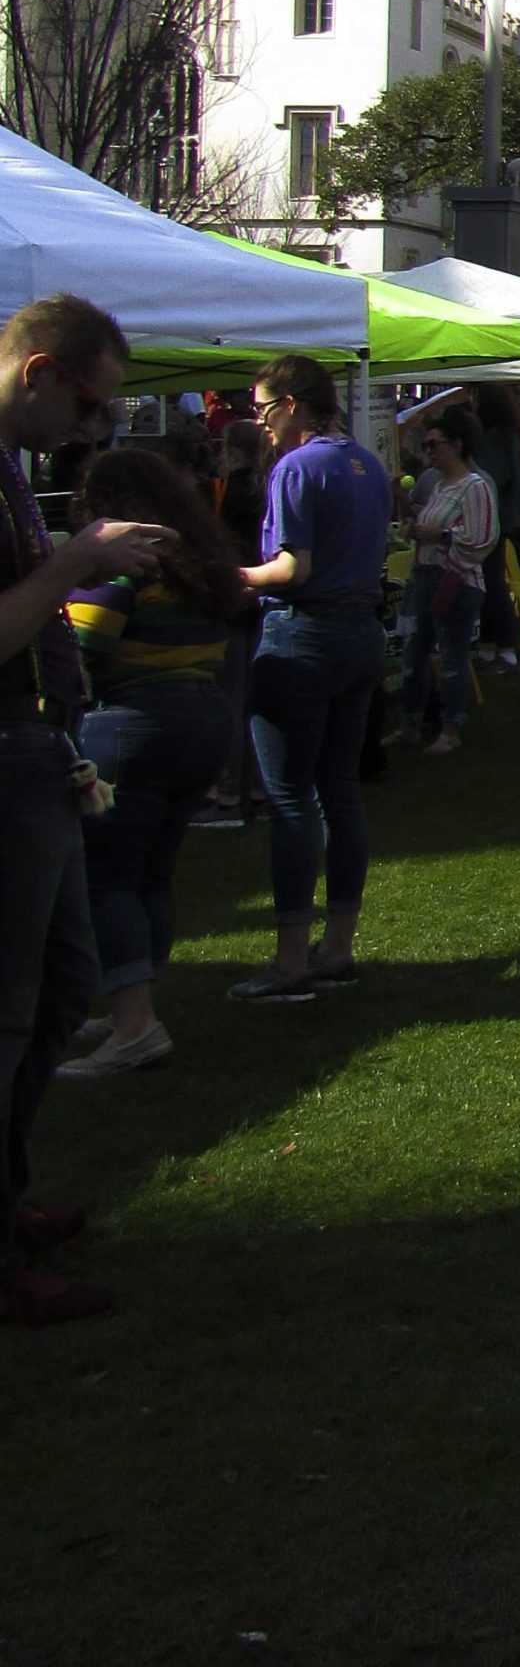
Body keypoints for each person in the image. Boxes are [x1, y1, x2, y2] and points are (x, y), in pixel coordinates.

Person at [0, 297, 176, 1322]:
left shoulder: (13, 469)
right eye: (91, 406)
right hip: (9, 761)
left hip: (39, 755)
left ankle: (10, 1198)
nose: (93, 431)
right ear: (40, 373)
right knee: (12, 1008)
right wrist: (75, 563)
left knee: (61, 989)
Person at [53, 450, 246, 1080]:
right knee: (152, 872)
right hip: (203, 724)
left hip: (130, 728)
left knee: (108, 875)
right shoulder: (202, 562)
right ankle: (134, 1005)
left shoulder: (124, 560)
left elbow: (83, 641)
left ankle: (135, 1026)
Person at [234, 355, 396, 1003]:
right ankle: (338, 946)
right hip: (360, 636)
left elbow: (290, 568)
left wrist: (232, 577)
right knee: (340, 791)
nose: (260, 422)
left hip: (304, 635)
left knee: (291, 797)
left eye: (264, 408)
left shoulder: (297, 467)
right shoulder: (365, 464)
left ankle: (291, 958)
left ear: (295, 403)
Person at [392, 406, 499, 759]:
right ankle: (412, 722)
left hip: (456, 579)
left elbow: (483, 539)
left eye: (434, 444)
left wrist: (441, 534)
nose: (429, 452)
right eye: (426, 445)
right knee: (414, 652)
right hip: (425, 576)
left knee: (451, 656)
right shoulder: (439, 486)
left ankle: (451, 727)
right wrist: (417, 529)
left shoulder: (475, 487)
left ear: (457, 444)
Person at [202, 417, 270, 824]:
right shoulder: (268, 483)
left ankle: (229, 792)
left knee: (233, 698)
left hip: (238, 596)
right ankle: (259, 788)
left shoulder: (236, 489)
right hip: (263, 596)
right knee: (256, 698)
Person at [468, 381, 520, 673]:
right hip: (501, 518)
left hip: (493, 519)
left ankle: (505, 650)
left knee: (492, 585)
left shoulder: (496, 438)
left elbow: (492, 477)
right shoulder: (509, 434)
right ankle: (492, 647)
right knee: (492, 583)